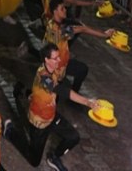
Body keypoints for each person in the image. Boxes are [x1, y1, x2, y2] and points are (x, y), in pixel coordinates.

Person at [13, 43, 100, 171]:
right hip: (39, 123)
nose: (59, 60)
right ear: (46, 60)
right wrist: (87, 102)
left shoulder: (52, 70)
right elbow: (63, 90)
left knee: (73, 137)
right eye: (55, 58)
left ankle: (54, 157)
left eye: (58, 57)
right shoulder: (44, 77)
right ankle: (10, 132)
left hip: (51, 115)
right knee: (34, 161)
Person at [43, 0, 114, 92]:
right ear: (55, 11)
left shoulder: (51, 23)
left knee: (81, 69)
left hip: (54, 62)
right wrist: (105, 34)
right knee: (80, 71)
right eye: (62, 9)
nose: (65, 10)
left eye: (64, 8)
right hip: (58, 67)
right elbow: (82, 29)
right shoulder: (60, 30)